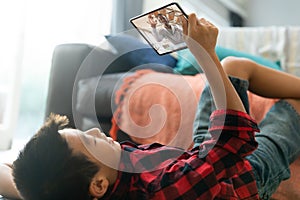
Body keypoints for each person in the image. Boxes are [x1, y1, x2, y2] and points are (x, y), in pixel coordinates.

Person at [0, 13, 300, 200]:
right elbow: (235, 141)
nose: (95, 130)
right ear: (99, 186)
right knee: (290, 107)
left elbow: (12, 180)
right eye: (91, 140)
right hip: (244, 177)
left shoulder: (72, 187)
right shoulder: (164, 190)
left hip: (202, 159)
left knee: (233, 66)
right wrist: (204, 53)